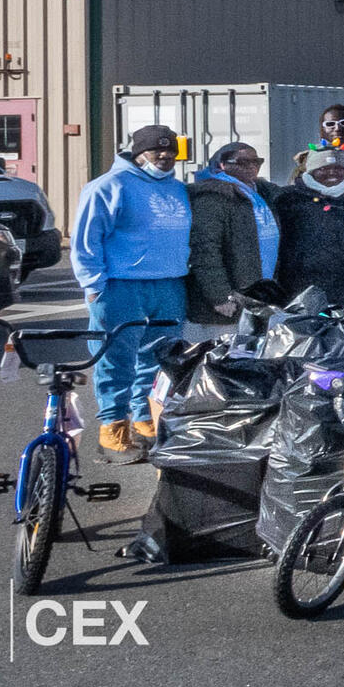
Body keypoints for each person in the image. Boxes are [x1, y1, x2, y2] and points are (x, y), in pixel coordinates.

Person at [70, 125, 192, 461]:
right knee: (116, 358)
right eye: (157, 152)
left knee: (158, 358)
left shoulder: (178, 189)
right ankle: (113, 430)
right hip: (120, 285)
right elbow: (86, 239)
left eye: (171, 153)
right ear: (138, 153)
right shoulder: (107, 186)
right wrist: (93, 285)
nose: (165, 158)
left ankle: (143, 420)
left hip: (169, 283)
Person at [273, 146, 344, 309]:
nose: (332, 173)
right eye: (323, 169)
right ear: (311, 170)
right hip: (307, 289)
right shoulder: (289, 199)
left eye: (338, 168)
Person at [184, 142, 279, 339]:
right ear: (221, 165)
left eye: (256, 162)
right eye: (243, 162)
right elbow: (205, 251)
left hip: (257, 300)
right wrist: (219, 296)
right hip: (223, 309)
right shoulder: (211, 198)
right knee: (220, 362)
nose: (252, 166)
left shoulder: (259, 193)